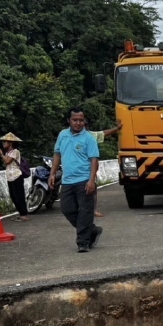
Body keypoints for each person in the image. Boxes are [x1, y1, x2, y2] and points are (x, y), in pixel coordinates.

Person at [51, 108, 103, 253]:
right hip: (67, 181)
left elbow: (94, 160)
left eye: (81, 120)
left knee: (85, 211)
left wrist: (91, 181)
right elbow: (57, 154)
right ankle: (92, 230)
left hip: (84, 180)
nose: (79, 123)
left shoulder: (89, 138)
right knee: (67, 209)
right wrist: (52, 173)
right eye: (75, 120)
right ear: (69, 120)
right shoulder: (62, 135)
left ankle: (83, 242)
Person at [88, 122, 122, 218]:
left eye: (85, 124)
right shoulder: (68, 136)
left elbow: (104, 133)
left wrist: (116, 128)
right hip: (75, 168)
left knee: (93, 189)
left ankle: (93, 210)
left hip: (89, 167)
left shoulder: (91, 135)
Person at [0, 132, 29, 221]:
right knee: (13, 196)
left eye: (5, 142)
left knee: (19, 196)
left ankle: (24, 214)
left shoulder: (15, 151)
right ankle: (21, 213)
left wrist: (1, 154)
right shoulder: (8, 152)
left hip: (16, 176)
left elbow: (7, 161)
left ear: (10, 143)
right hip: (10, 177)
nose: (3, 143)